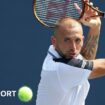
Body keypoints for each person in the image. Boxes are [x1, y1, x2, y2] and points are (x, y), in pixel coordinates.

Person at [36, 1, 105, 105]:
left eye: (77, 40)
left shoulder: (60, 54)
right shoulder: (60, 67)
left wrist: (95, 27)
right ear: (54, 41)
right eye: (67, 40)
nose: (73, 48)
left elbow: (84, 61)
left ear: (83, 39)